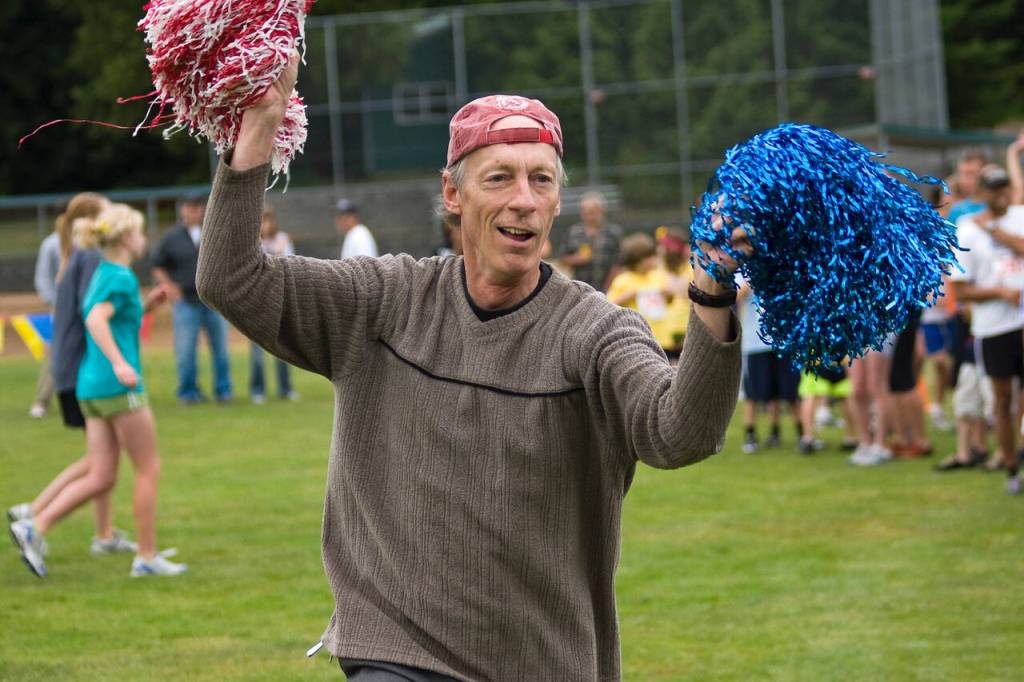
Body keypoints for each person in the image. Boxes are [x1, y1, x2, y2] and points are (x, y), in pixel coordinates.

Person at [196, 55, 746, 680]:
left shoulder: (594, 330)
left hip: (544, 660)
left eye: (541, 181)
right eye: (499, 178)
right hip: (395, 649)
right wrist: (261, 126)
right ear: (453, 194)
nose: (523, 201)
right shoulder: (384, 301)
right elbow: (232, 278)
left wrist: (711, 292)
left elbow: (681, 433)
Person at [10, 203, 187, 578]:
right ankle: (147, 557)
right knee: (147, 469)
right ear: (125, 237)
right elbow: (95, 319)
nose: (144, 239)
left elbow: (113, 316)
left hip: (90, 386)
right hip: (117, 385)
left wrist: (147, 307)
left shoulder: (106, 273)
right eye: (140, 232)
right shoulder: (120, 276)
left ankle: (34, 526)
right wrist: (121, 362)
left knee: (102, 475)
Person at [8, 192, 138, 556]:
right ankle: (35, 518)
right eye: (107, 209)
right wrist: (116, 362)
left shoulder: (77, 256)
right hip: (83, 372)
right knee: (102, 466)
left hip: (75, 370)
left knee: (100, 461)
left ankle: (101, 532)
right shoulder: (90, 258)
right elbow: (93, 314)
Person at [950, 165, 1024, 495]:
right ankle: (1010, 466)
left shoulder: (1019, 216)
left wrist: (996, 231)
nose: (1001, 193)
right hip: (994, 328)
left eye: (1004, 187)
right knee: (1003, 401)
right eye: (993, 188)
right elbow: (961, 290)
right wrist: (998, 292)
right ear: (981, 192)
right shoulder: (966, 229)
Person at [151, 192, 233, 404]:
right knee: (186, 351)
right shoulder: (172, 237)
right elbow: (158, 265)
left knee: (221, 349)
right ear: (182, 209)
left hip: (214, 302)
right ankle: (188, 392)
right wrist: (169, 287)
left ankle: (223, 391)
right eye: (189, 206)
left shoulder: (213, 232)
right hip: (186, 302)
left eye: (198, 207)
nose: (194, 211)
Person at [737, 278, 801, 453]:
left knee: (790, 389)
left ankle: (800, 433)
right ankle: (750, 434)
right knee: (754, 391)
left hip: (783, 340)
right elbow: (735, 296)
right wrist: (752, 281)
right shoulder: (743, 270)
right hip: (755, 342)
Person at [249, 204, 298, 404]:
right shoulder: (252, 244)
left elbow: (291, 267)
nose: (265, 224)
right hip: (257, 303)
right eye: (261, 220)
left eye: (267, 219)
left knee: (283, 350)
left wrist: (281, 250)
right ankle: (257, 390)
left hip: (279, 301)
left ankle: (285, 389)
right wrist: (273, 251)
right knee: (258, 352)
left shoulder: (282, 239)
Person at [606, 232, 678, 355]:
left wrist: (668, 294)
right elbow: (609, 305)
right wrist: (626, 297)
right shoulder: (623, 280)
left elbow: (670, 300)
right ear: (634, 261)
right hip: (638, 337)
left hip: (662, 338)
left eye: (651, 257)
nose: (650, 262)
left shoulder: (658, 276)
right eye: (646, 259)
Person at [28, 220, 62, 418]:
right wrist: (54, 301)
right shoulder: (51, 244)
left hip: (90, 305)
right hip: (60, 307)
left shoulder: (89, 242)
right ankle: (41, 401)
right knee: (55, 353)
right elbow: (43, 277)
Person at [560, 191, 623, 292]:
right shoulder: (573, 232)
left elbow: (618, 264)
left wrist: (608, 287)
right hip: (580, 289)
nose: (589, 216)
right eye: (585, 212)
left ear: (601, 211)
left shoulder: (613, 233)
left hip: (606, 288)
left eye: (592, 212)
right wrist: (577, 258)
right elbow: (563, 259)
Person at [947, 149, 988, 226]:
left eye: (971, 174)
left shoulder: (997, 207)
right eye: (961, 174)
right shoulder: (957, 211)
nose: (964, 180)